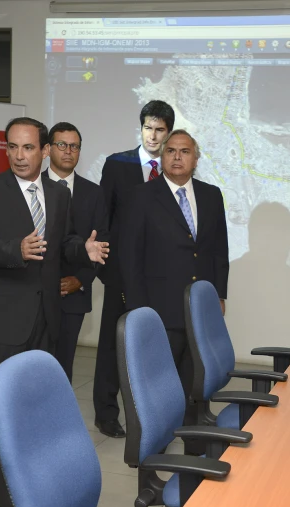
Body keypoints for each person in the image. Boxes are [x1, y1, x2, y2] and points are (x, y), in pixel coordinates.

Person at [0, 117, 109, 504]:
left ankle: (27, 467)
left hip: (48, 313)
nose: (18, 155)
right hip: (5, 317)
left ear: (44, 151)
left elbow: (64, 243)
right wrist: (15, 250)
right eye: (12, 147)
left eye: (28, 147)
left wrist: (84, 251)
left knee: (34, 399)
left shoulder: (59, 195)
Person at [119, 129, 229, 429]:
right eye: (171, 151)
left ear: (196, 159)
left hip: (200, 310)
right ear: (162, 156)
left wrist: (219, 295)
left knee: (198, 378)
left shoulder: (211, 195)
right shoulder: (142, 196)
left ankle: (194, 438)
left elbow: (219, 250)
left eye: (184, 152)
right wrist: (139, 309)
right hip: (159, 308)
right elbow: (130, 256)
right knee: (159, 381)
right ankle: (160, 437)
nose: (177, 157)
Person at [93, 99, 175, 438]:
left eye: (159, 130)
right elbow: (103, 216)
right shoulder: (118, 164)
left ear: (168, 133)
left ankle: (154, 411)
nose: (153, 136)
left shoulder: (174, 167)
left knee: (153, 346)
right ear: (140, 128)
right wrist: (109, 267)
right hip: (120, 273)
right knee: (112, 345)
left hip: (160, 275)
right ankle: (106, 413)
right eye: (148, 128)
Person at [42, 122, 108, 382]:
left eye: (75, 146)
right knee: (34, 364)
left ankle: (59, 420)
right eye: (62, 145)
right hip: (33, 294)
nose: (68, 151)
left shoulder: (94, 193)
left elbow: (102, 241)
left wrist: (80, 280)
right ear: (48, 149)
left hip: (73, 294)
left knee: (63, 365)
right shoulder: (31, 186)